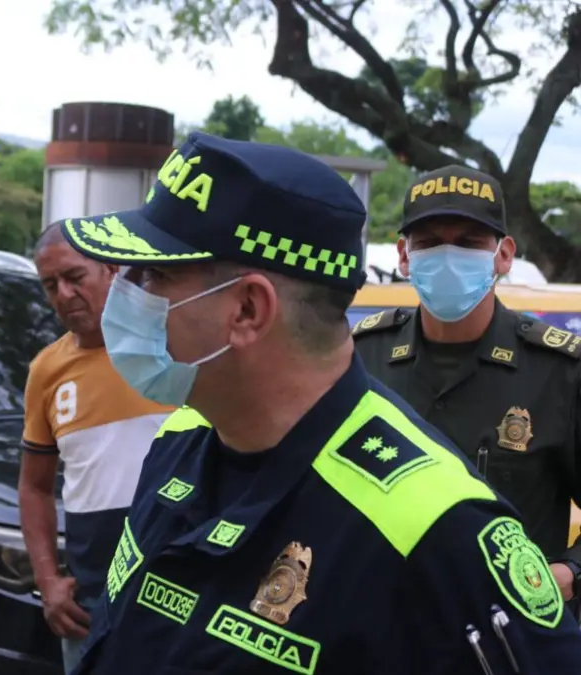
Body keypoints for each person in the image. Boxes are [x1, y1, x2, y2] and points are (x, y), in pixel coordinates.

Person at [54, 132, 581, 674]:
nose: (124, 292)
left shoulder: (437, 529)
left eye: (155, 274)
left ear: (248, 310)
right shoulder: (182, 434)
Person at [352, 164, 581, 604]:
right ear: (404, 256)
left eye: (469, 243)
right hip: (380, 620)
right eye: (429, 243)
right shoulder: (363, 357)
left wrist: (569, 573)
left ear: (504, 255)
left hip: (507, 627)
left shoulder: (559, 371)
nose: (448, 257)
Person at [19, 223, 174, 672]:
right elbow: (34, 487)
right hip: (92, 606)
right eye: (51, 285)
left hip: (178, 594)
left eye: (74, 277)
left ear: (110, 270)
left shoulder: (170, 344)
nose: (64, 295)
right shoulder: (46, 371)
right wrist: (48, 580)